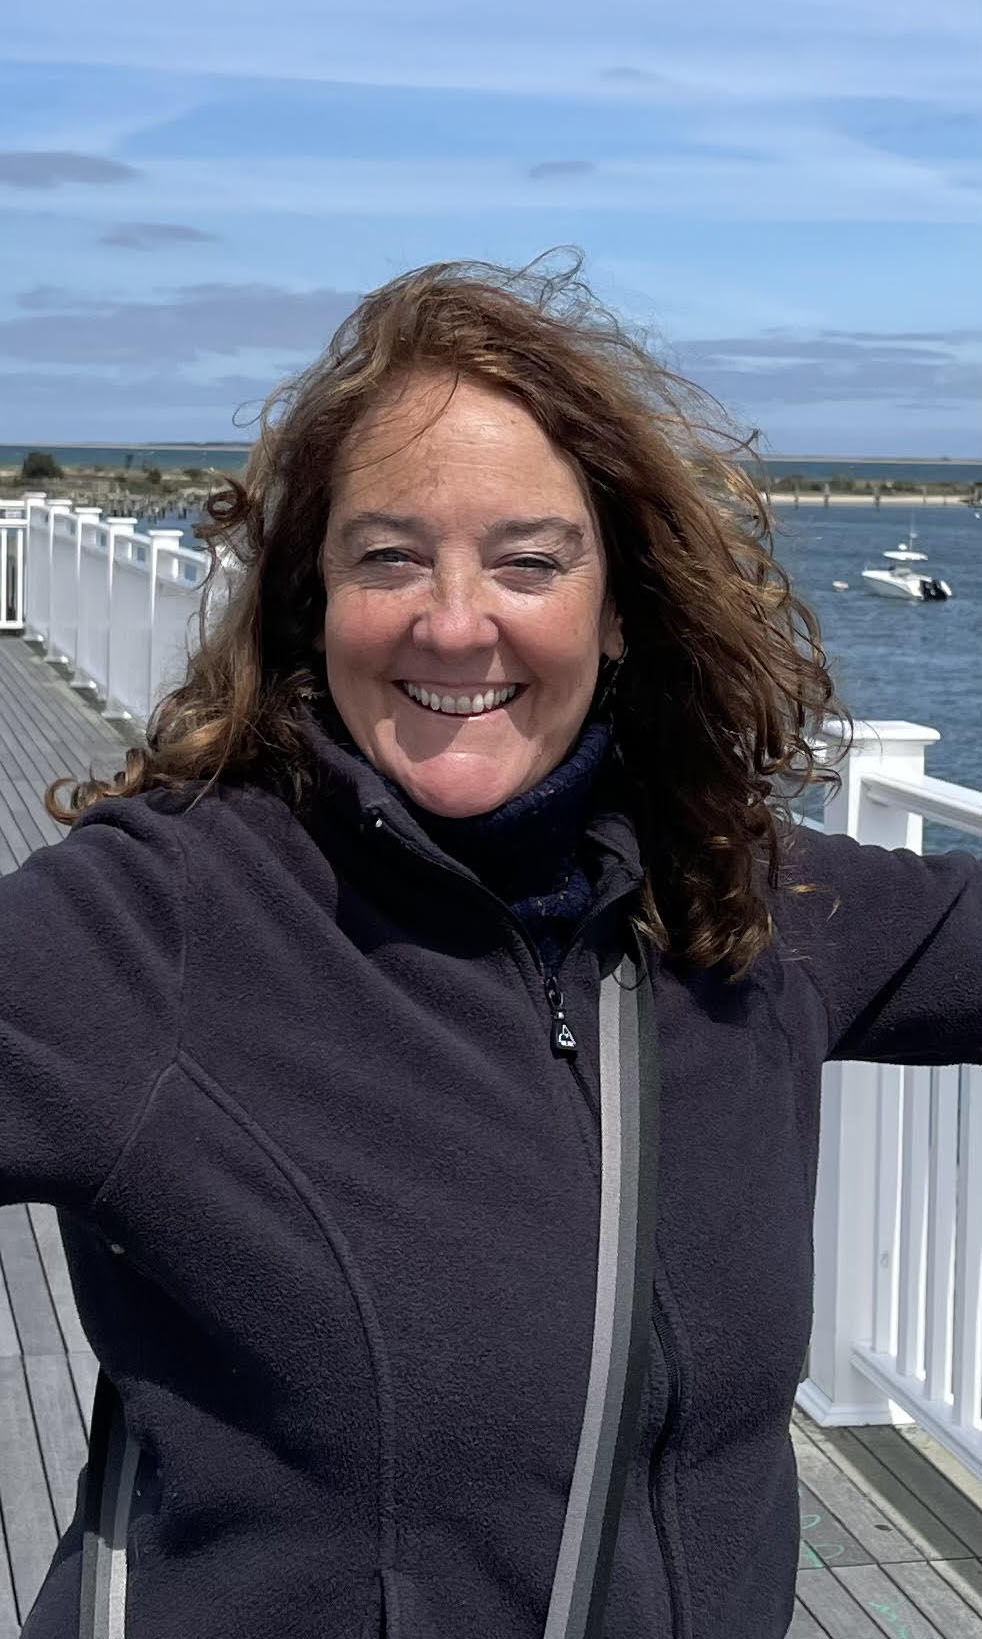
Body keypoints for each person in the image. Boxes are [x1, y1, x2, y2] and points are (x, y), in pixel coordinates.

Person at [2, 256, 981, 1639]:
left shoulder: (740, 901)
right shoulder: (158, 924)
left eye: (529, 561)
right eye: (388, 556)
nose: (456, 623)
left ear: (619, 604)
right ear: (312, 597)